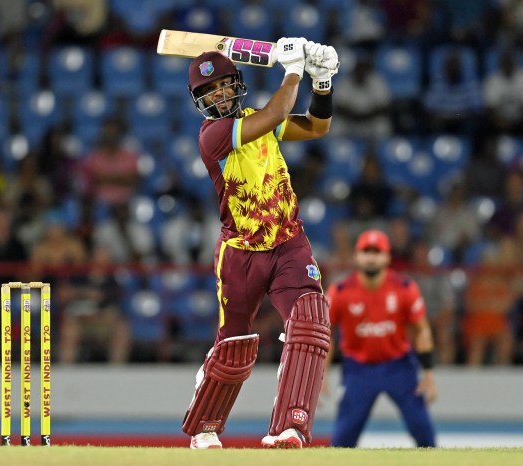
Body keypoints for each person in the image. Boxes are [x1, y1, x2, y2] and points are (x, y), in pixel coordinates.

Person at [180, 38, 339, 450]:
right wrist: (293, 69)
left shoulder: (258, 118)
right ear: (199, 102)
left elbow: (318, 126)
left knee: (310, 320)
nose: (218, 96)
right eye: (208, 93)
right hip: (240, 254)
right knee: (234, 347)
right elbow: (278, 111)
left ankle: (290, 427)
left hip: (288, 242)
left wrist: (322, 83)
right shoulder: (213, 135)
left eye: (224, 86)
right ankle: (205, 427)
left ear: (237, 85)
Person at [324, 229, 437, 448]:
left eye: (377, 252)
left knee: (423, 431)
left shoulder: (405, 288)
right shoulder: (340, 292)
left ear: (387, 257)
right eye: (367, 251)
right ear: (357, 256)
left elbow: (422, 330)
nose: (371, 257)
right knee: (343, 439)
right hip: (358, 370)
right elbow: (326, 334)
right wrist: (321, 374)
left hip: (399, 367)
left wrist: (429, 373)